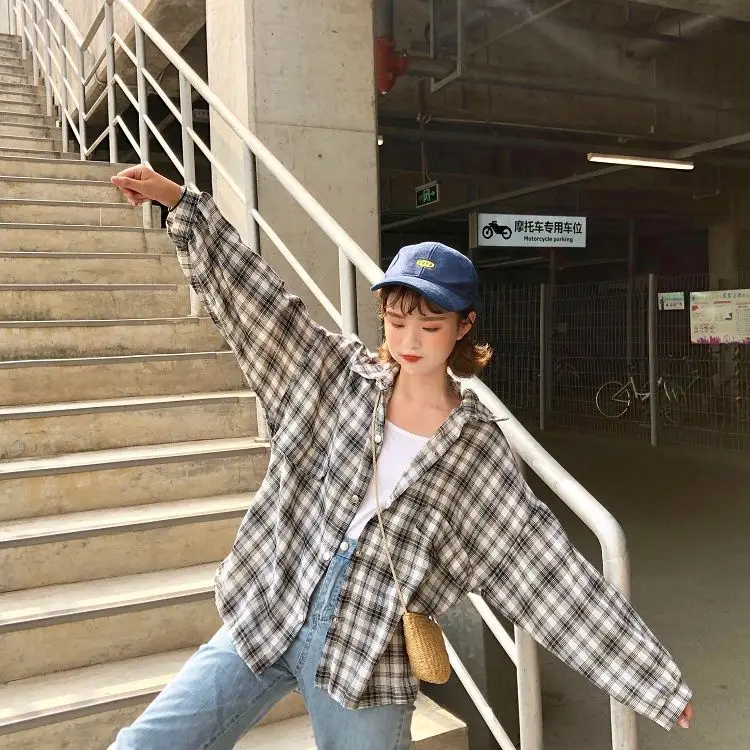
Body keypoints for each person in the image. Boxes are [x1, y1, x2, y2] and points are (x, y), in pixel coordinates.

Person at [108, 166, 694, 749]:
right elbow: (261, 307)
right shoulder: (337, 377)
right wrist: (181, 204)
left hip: (370, 652)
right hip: (274, 597)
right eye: (396, 321)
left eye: (430, 325)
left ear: (464, 327)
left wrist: (654, 681)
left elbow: (543, 570)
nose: (409, 341)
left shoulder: (475, 450)